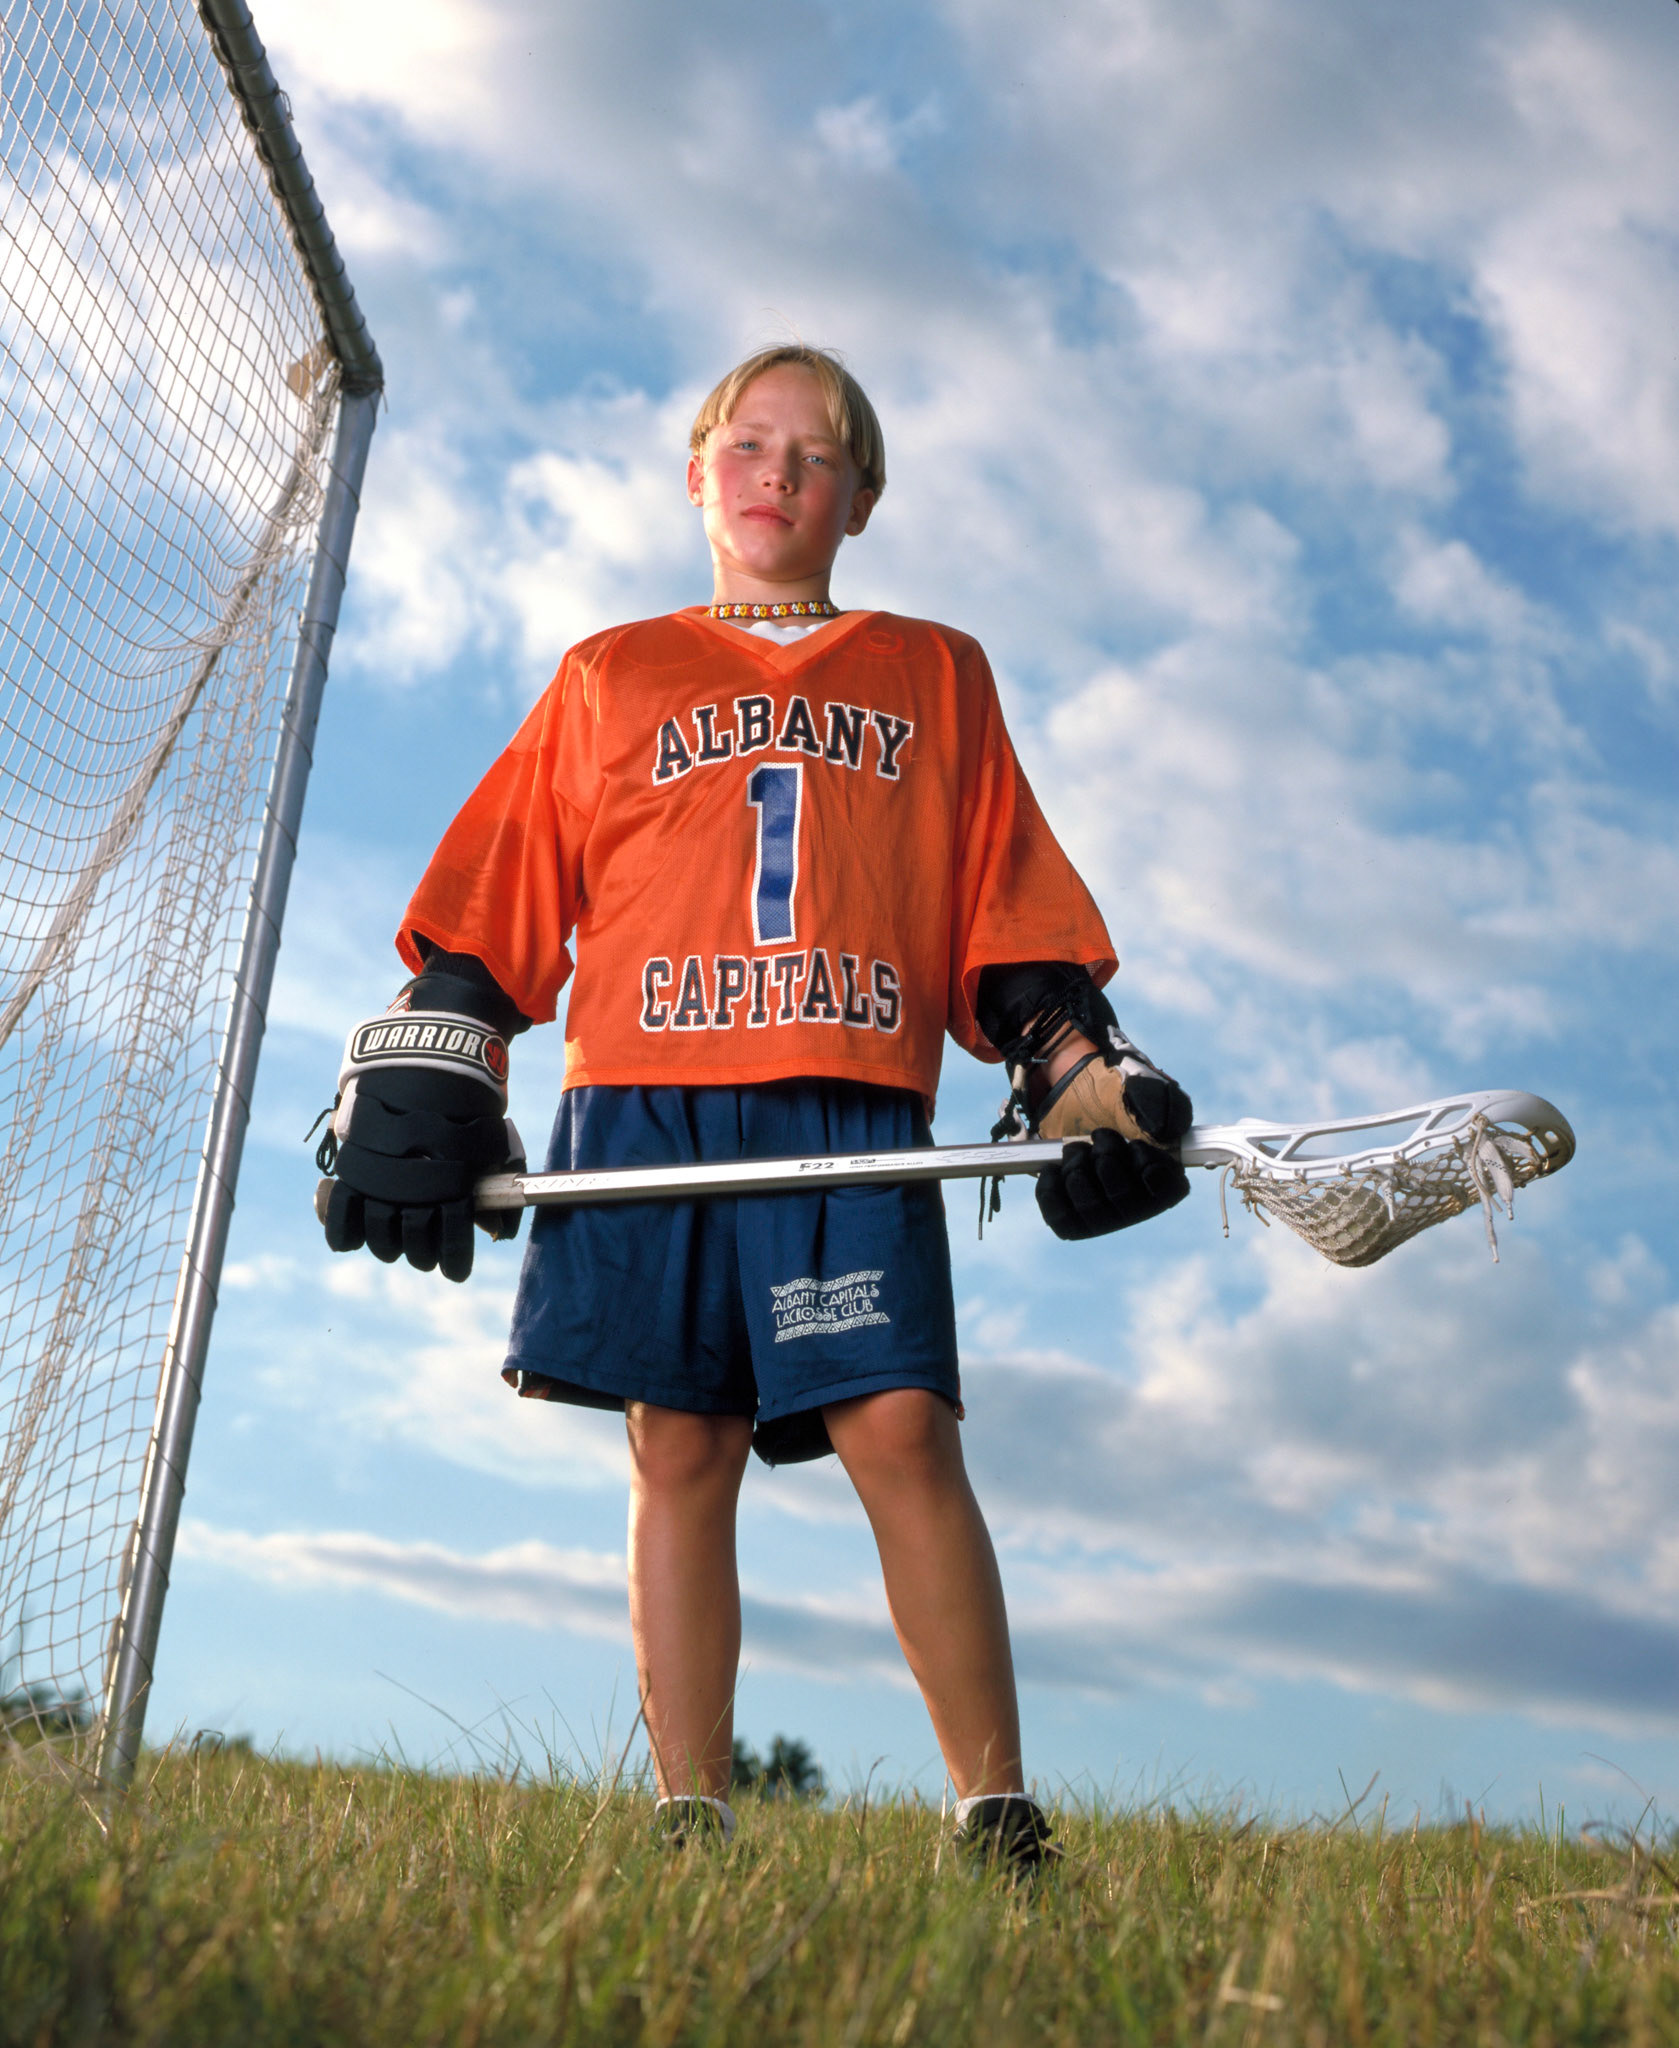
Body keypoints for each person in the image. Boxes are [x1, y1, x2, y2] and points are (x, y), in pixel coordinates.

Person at [318, 345, 1192, 1870]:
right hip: (646, 1096)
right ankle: (690, 1816)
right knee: (679, 1446)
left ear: (863, 497)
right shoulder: (610, 670)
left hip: (845, 1096)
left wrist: (1075, 1067)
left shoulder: (934, 670)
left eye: (818, 453)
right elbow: (506, 894)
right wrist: (440, 1039)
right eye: (749, 443)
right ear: (697, 473)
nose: (778, 473)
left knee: (900, 1423)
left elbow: (1004, 915)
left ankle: (996, 1810)